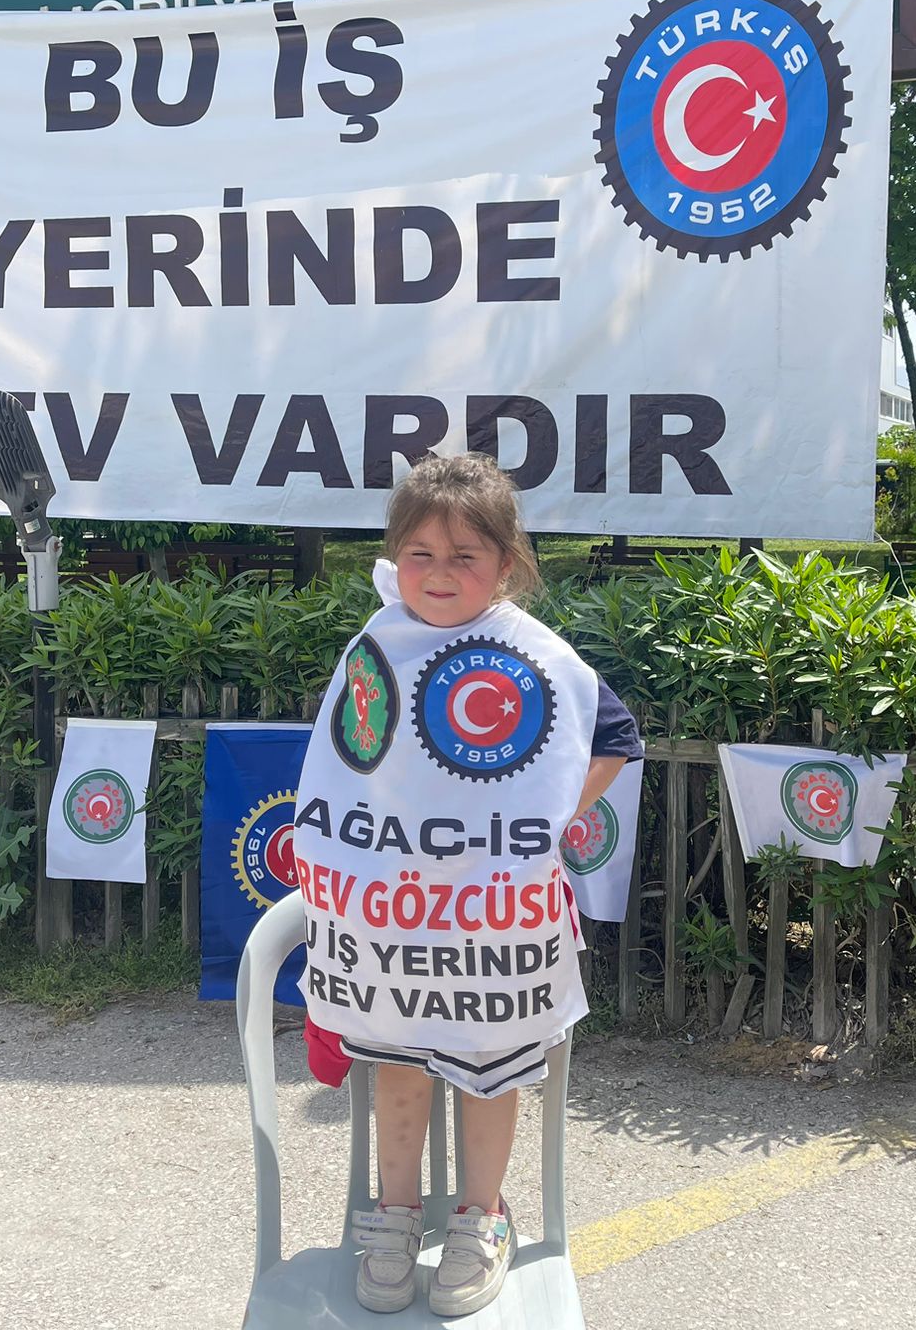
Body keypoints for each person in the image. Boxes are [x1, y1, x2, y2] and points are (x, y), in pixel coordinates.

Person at [291, 452, 639, 1317]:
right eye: (420, 553)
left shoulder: (537, 656)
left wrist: (540, 822)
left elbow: (615, 739)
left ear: (507, 565)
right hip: (395, 932)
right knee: (400, 1067)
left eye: (464, 556)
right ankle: (396, 1215)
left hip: (493, 931)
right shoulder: (376, 644)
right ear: (394, 555)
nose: (439, 573)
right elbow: (350, 771)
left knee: (491, 1069)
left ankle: (482, 1216)